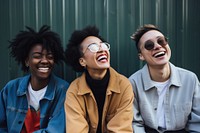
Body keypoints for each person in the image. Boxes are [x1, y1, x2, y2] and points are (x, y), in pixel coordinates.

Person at [129, 24, 200, 133]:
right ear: (141, 56)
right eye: (149, 45)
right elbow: (135, 123)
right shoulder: (133, 83)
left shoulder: (190, 79)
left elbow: (197, 123)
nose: (157, 46)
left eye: (161, 41)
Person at [64, 25, 134, 133]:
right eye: (93, 47)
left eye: (103, 45)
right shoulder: (74, 91)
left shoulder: (124, 85)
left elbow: (121, 130)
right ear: (82, 61)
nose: (102, 49)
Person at [0, 25, 69, 132]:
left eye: (50, 57)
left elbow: (56, 130)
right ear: (27, 61)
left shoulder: (62, 90)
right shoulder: (11, 89)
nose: (45, 61)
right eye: (37, 56)